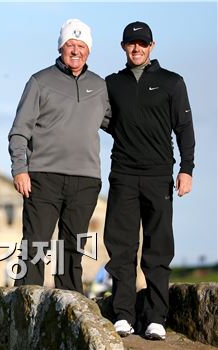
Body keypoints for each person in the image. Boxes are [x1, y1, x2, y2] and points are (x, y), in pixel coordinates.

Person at [104, 21, 195, 340]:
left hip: (159, 175)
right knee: (121, 247)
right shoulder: (112, 84)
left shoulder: (172, 82)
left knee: (158, 247)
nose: (137, 48)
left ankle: (156, 317)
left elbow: (184, 128)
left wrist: (187, 169)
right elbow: (100, 121)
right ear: (123, 47)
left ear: (152, 46)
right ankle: (124, 315)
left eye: (143, 43)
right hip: (123, 175)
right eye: (131, 43)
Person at [8, 19, 111, 293]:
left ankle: (71, 315)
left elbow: (121, 126)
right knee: (36, 247)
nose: (75, 51)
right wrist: (20, 169)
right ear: (61, 47)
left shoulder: (100, 88)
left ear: (88, 51)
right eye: (70, 45)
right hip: (43, 178)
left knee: (72, 251)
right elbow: (19, 131)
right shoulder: (40, 82)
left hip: (85, 180)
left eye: (81, 46)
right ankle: (25, 312)